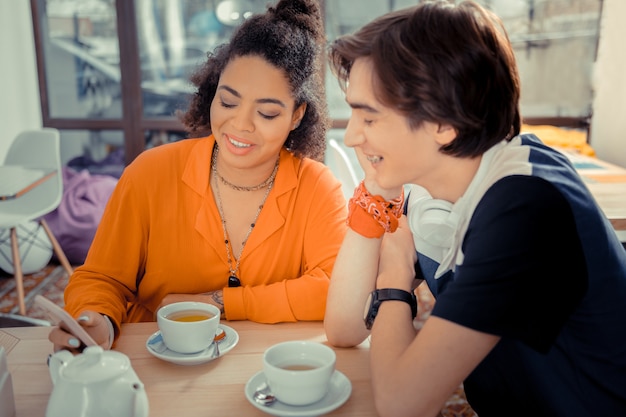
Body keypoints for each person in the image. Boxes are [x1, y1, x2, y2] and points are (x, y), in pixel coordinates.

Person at [323, 1, 626, 417]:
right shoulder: (433, 179)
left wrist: (394, 273)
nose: (352, 136)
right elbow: (343, 326)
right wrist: (377, 192)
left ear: (445, 125)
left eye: (369, 118)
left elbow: (403, 404)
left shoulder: (528, 209)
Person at [48, 0, 347, 351]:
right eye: (229, 102)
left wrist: (221, 302)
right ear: (212, 91)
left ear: (296, 116)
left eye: (266, 113)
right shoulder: (150, 173)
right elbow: (101, 278)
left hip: (264, 370)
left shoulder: (317, 188)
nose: (240, 125)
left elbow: (336, 289)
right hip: (154, 368)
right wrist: (96, 318)